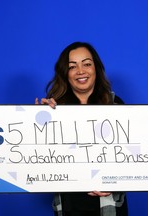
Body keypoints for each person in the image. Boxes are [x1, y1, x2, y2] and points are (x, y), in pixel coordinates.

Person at [35, 41, 128, 216]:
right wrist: (38, 119)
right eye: (72, 66)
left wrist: (114, 182)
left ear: (96, 68)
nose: (81, 71)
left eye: (87, 64)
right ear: (65, 73)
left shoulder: (116, 105)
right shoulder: (53, 109)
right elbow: (39, 160)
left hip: (109, 207)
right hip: (70, 205)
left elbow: (130, 158)